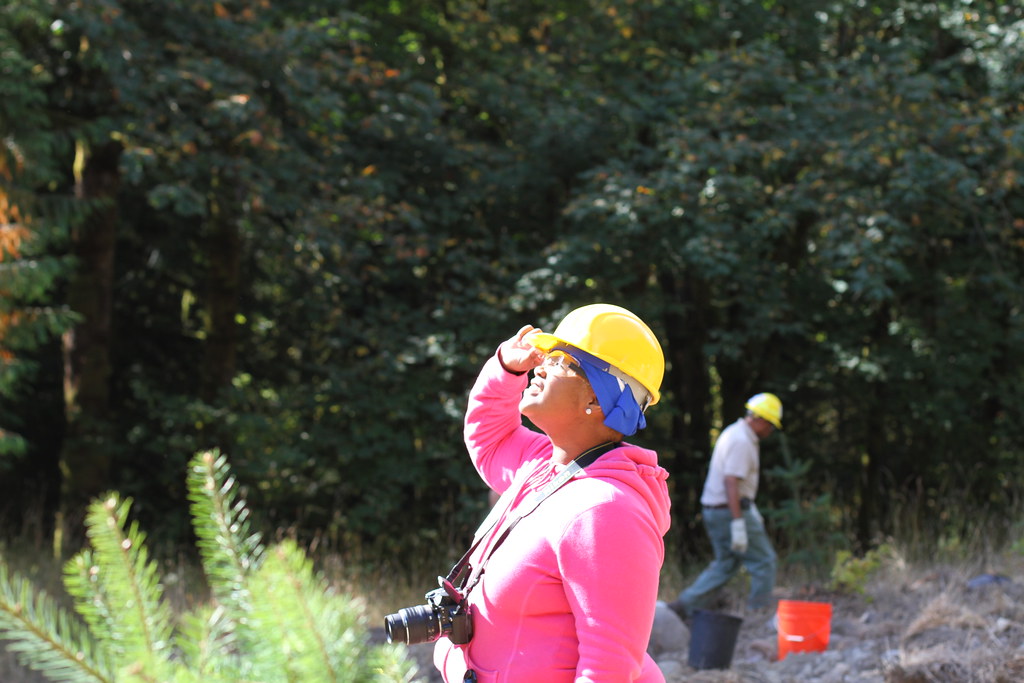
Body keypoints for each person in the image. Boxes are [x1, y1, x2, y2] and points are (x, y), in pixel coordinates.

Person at [433, 303, 671, 682]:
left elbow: (608, 668)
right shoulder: (546, 466)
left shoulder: (605, 510)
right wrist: (506, 369)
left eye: (562, 361)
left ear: (597, 400)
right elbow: (490, 439)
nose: (540, 366)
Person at [669, 393, 783, 618]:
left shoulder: (737, 433)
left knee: (727, 563)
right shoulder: (741, 441)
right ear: (760, 420)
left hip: (719, 510)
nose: (770, 431)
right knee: (764, 561)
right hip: (729, 511)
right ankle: (758, 613)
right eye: (770, 425)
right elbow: (731, 481)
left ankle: (684, 606)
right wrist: (739, 521)